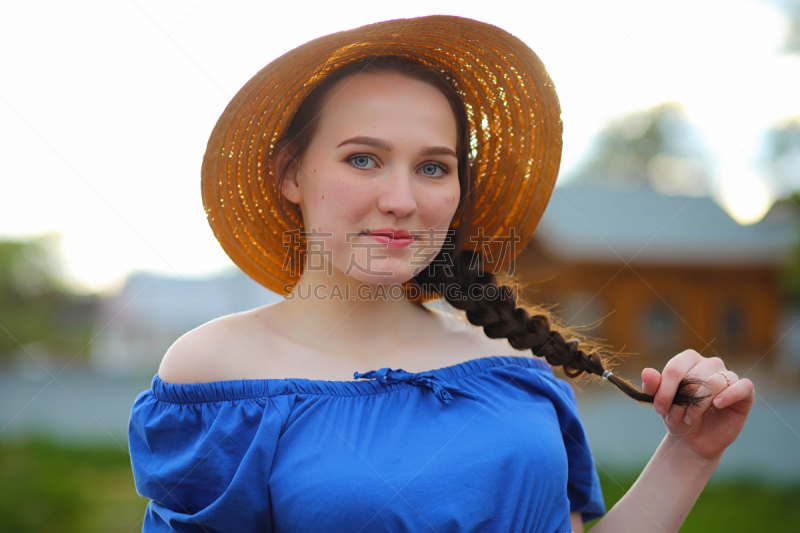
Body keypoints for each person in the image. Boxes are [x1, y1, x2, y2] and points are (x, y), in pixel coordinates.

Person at [128, 15, 755, 533]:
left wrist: (689, 453)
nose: (402, 199)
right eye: (364, 159)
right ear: (290, 174)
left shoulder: (510, 363)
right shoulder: (217, 371)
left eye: (433, 167)